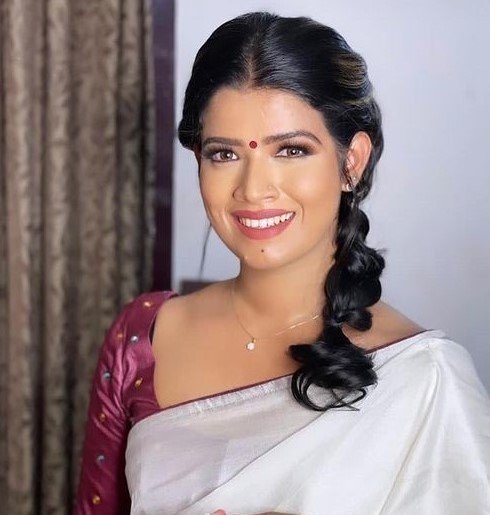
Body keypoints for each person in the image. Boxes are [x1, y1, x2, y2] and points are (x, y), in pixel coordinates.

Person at [73, 11, 490, 515]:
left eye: (291, 150)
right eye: (224, 154)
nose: (253, 190)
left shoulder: (426, 380)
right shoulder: (144, 336)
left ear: (352, 162)